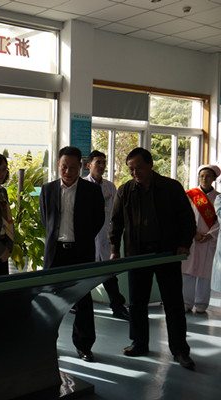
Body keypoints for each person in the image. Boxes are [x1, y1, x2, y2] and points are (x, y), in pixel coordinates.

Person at [109, 147, 196, 370]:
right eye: (131, 169)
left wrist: (183, 244)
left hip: (166, 253)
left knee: (173, 303)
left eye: (138, 167)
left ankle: (180, 350)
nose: (135, 172)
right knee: (137, 302)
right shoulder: (125, 191)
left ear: (150, 164)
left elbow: (187, 219)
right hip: (137, 255)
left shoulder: (171, 187)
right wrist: (114, 249)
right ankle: (139, 343)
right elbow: (116, 222)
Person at [40, 146, 104, 362]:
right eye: (64, 167)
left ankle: (84, 346)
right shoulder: (47, 190)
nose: (68, 172)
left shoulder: (92, 191)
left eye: (73, 167)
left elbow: (98, 220)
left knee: (83, 299)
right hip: (55, 252)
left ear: (81, 167)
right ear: (58, 165)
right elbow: (46, 220)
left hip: (81, 252)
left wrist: (82, 238)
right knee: (50, 301)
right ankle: (47, 343)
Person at [84, 150, 130, 320]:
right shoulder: (82, 185)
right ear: (89, 165)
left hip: (105, 237)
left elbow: (116, 213)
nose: (102, 166)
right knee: (85, 277)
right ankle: (77, 305)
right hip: (88, 238)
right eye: (98, 162)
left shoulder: (110, 187)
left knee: (110, 276)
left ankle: (118, 307)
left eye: (103, 163)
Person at [181, 164, 220, 313]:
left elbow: (220, 221)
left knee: (206, 273)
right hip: (192, 239)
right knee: (188, 271)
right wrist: (193, 233)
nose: (204, 179)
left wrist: (210, 234)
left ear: (214, 178)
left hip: (210, 240)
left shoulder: (218, 197)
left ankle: (202, 303)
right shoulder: (190, 195)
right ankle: (186, 302)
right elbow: (184, 217)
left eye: (208, 176)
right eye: (202, 176)